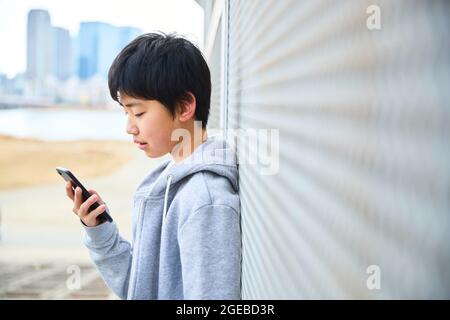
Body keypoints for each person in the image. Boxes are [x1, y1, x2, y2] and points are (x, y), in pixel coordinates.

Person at [64, 32, 241, 300]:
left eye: (139, 112)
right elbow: (142, 287)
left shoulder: (204, 200)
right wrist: (100, 231)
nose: (129, 127)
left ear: (184, 106)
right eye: (126, 112)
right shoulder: (164, 181)